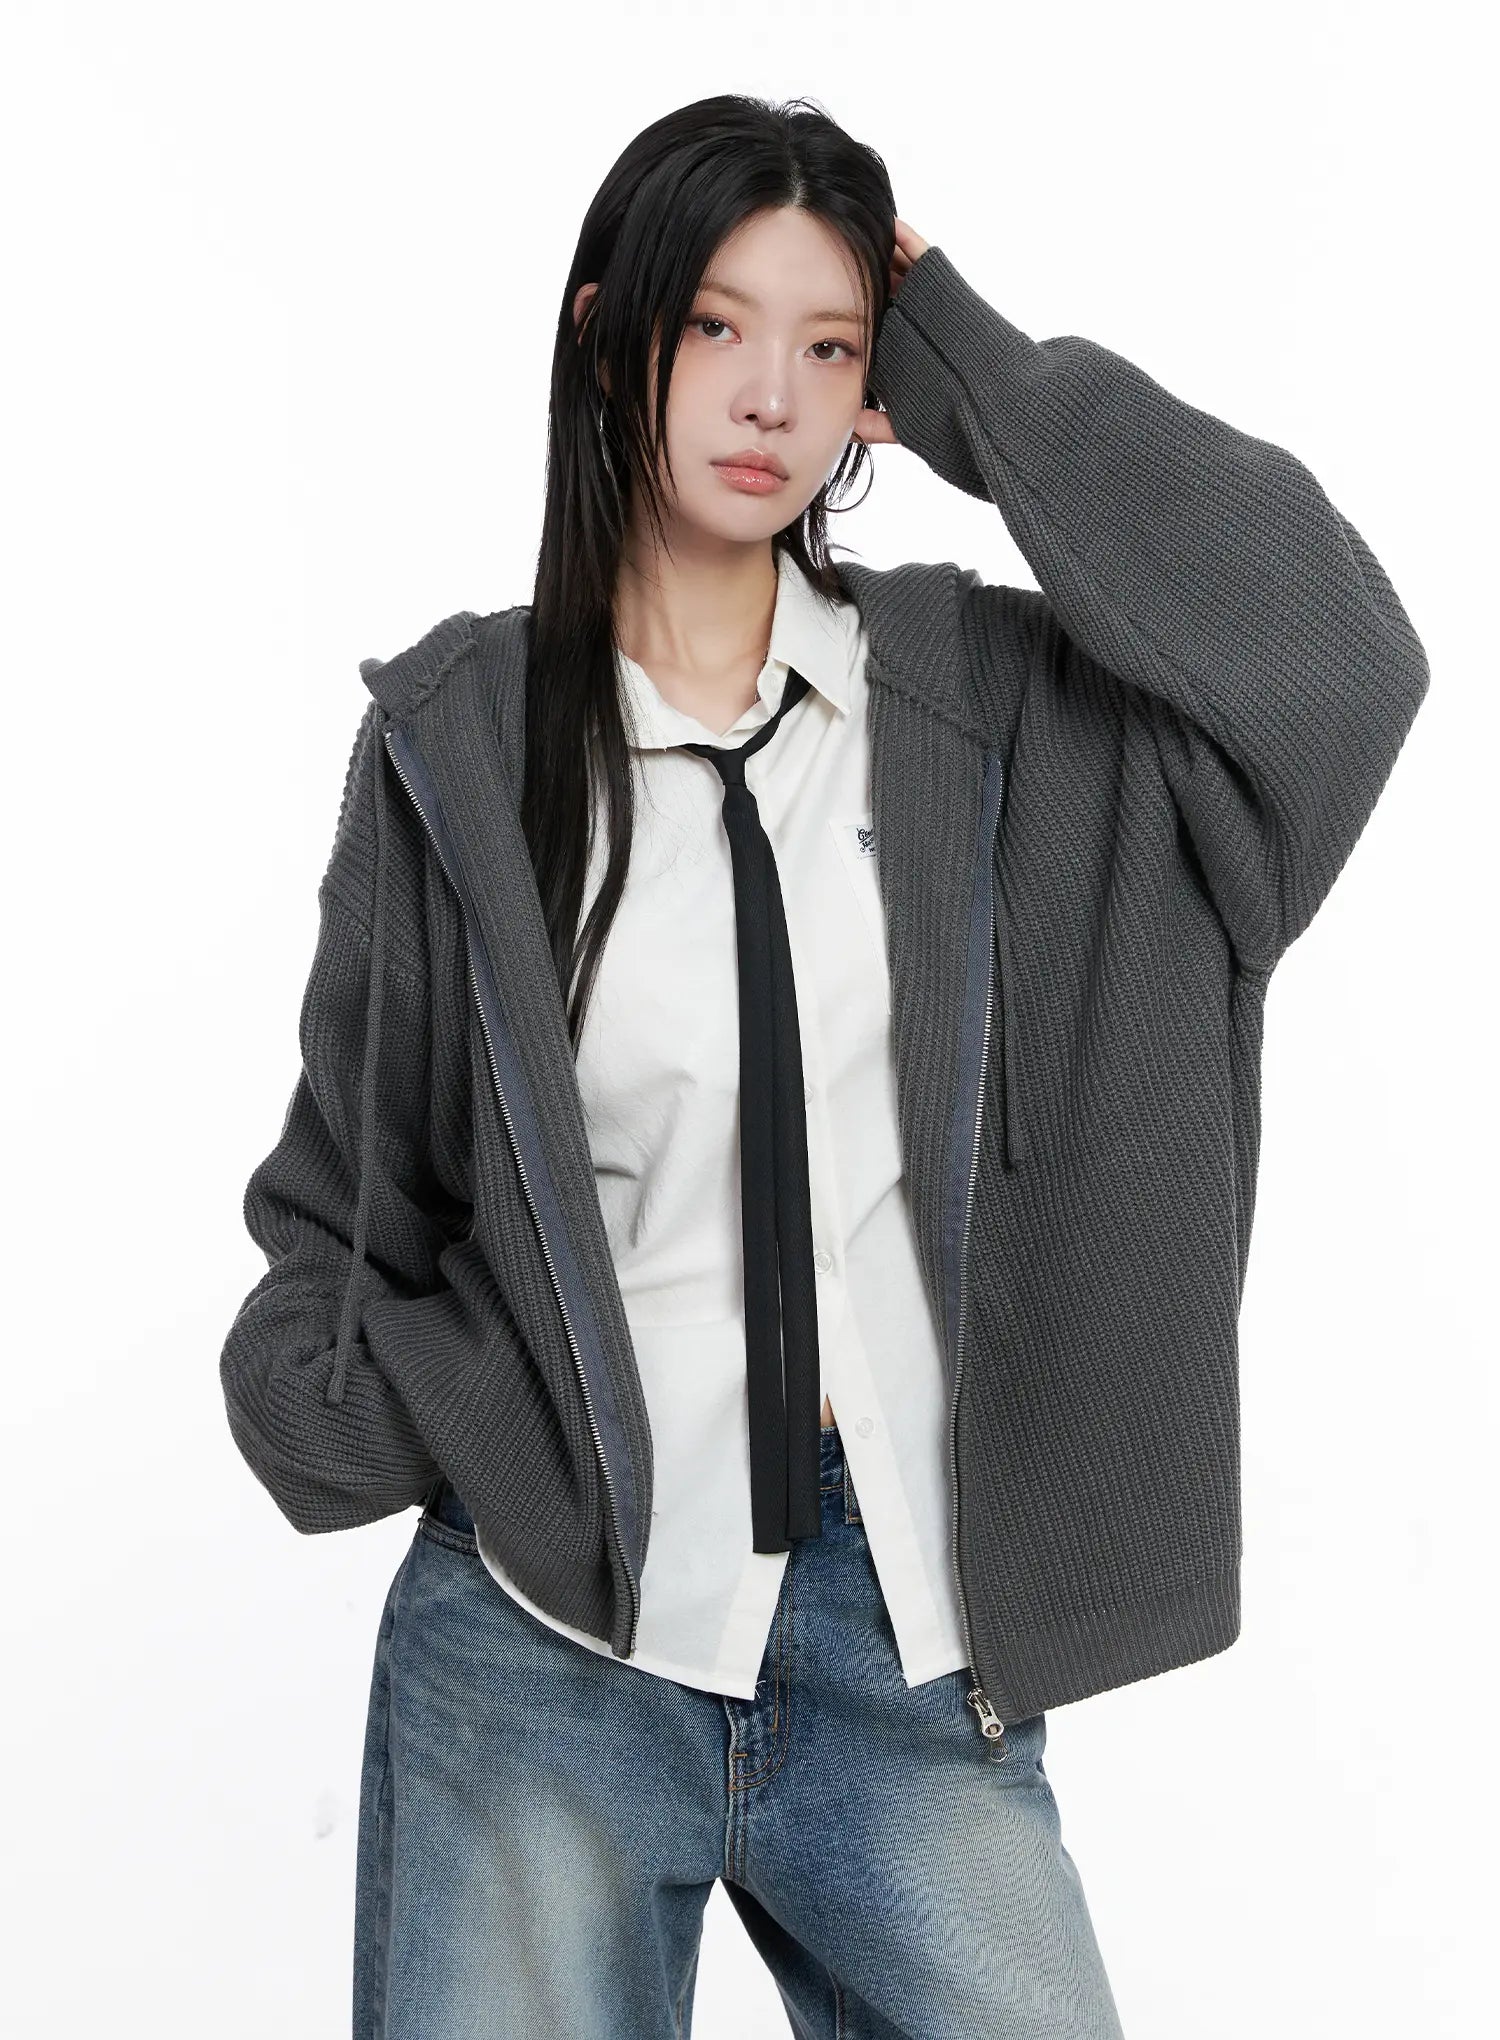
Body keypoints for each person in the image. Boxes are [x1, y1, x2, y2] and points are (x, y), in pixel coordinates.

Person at [219, 93, 1429, 2039]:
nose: (769, 393)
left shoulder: (1004, 711)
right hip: (548, 1635)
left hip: (905, 1637)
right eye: (715, 324)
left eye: (832, 342)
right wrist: (405, 1409)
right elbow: (350, 1197)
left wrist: (975, 364)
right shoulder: (465, 740)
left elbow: (1335, 664)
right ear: (609, 335)